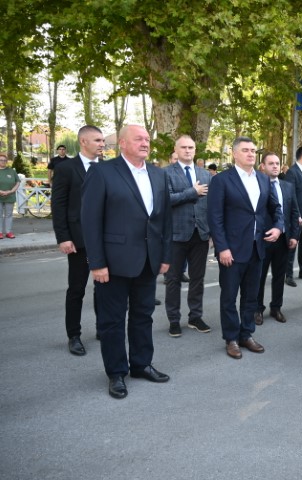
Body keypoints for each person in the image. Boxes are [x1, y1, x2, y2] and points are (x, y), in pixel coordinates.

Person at [81, 124, 173, 399]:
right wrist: (96, 263)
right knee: (112, 321)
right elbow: (90, 220)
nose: (145, 143)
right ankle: (116, 372)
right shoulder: (102, 172)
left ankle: (141, 364)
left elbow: (164, 220)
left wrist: (165, 255)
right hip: (113, 263)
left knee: (143, 316)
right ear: (122, 143)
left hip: (148, 260)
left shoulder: (158, 174)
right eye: (138, 139)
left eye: (147, 139)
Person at [207, 136, 283, 360]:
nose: (251, 154)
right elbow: (215, 217)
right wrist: (222, 247)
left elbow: (275, 208)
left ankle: (246, 334)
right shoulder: (222, 180)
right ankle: (231, 338)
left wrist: (278, 227)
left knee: (251, 296)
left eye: (253, 150)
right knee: (229, 297)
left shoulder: (263, 179)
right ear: (234, 154)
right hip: (231, 250)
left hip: (257, 247)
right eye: (245, 150)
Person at [52, 126, 105, 355]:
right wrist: (63, 237)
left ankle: (103, 328)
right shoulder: (65, 168)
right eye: (97, 140)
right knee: (77, 289)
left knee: (103, 287)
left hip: (105, 239)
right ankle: (73, 335)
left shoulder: (107, 168)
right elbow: (59, 205)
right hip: (78, 239)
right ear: (83, 142)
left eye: (103, 140)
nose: (102, 144)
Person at [163, 135, 212, 337]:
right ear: (176, 150)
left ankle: (195, 317)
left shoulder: (205, 174)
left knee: (197, 278)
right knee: (173, 279)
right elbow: (165, 200)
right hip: (176, 235)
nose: (187, 150)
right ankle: (174, 320)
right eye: (183, 147)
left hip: (200, 234)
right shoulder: (166, 173)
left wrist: (212, 233)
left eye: (191, 147)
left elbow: (211, 205)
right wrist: (192, 192)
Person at [255, 152, 300, 324]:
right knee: (259, 277)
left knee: (279, 276)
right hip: (263, 239)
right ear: (262, 166)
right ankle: (257, 309)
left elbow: (294, 212)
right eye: (271, 163)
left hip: (283, 239)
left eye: (277, 163)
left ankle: (276, 308)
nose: (275, 166)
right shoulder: (256, 185)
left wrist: (294, 235)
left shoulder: (287, 186)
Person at [284, 146, 302, 286]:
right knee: (293, 244)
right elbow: (290, 195)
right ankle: (288, 274)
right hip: (297, 215)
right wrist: (297, 215)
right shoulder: (292, 172)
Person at [0, 154, 20, 239]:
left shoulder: (11, 171)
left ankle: (8, 232)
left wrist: (11, 191)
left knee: (9, 215)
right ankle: (0, 232)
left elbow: (18, 182)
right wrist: (1, 191)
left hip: (10, 196)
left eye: (5, 160)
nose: (3, 161)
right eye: (1, 160)